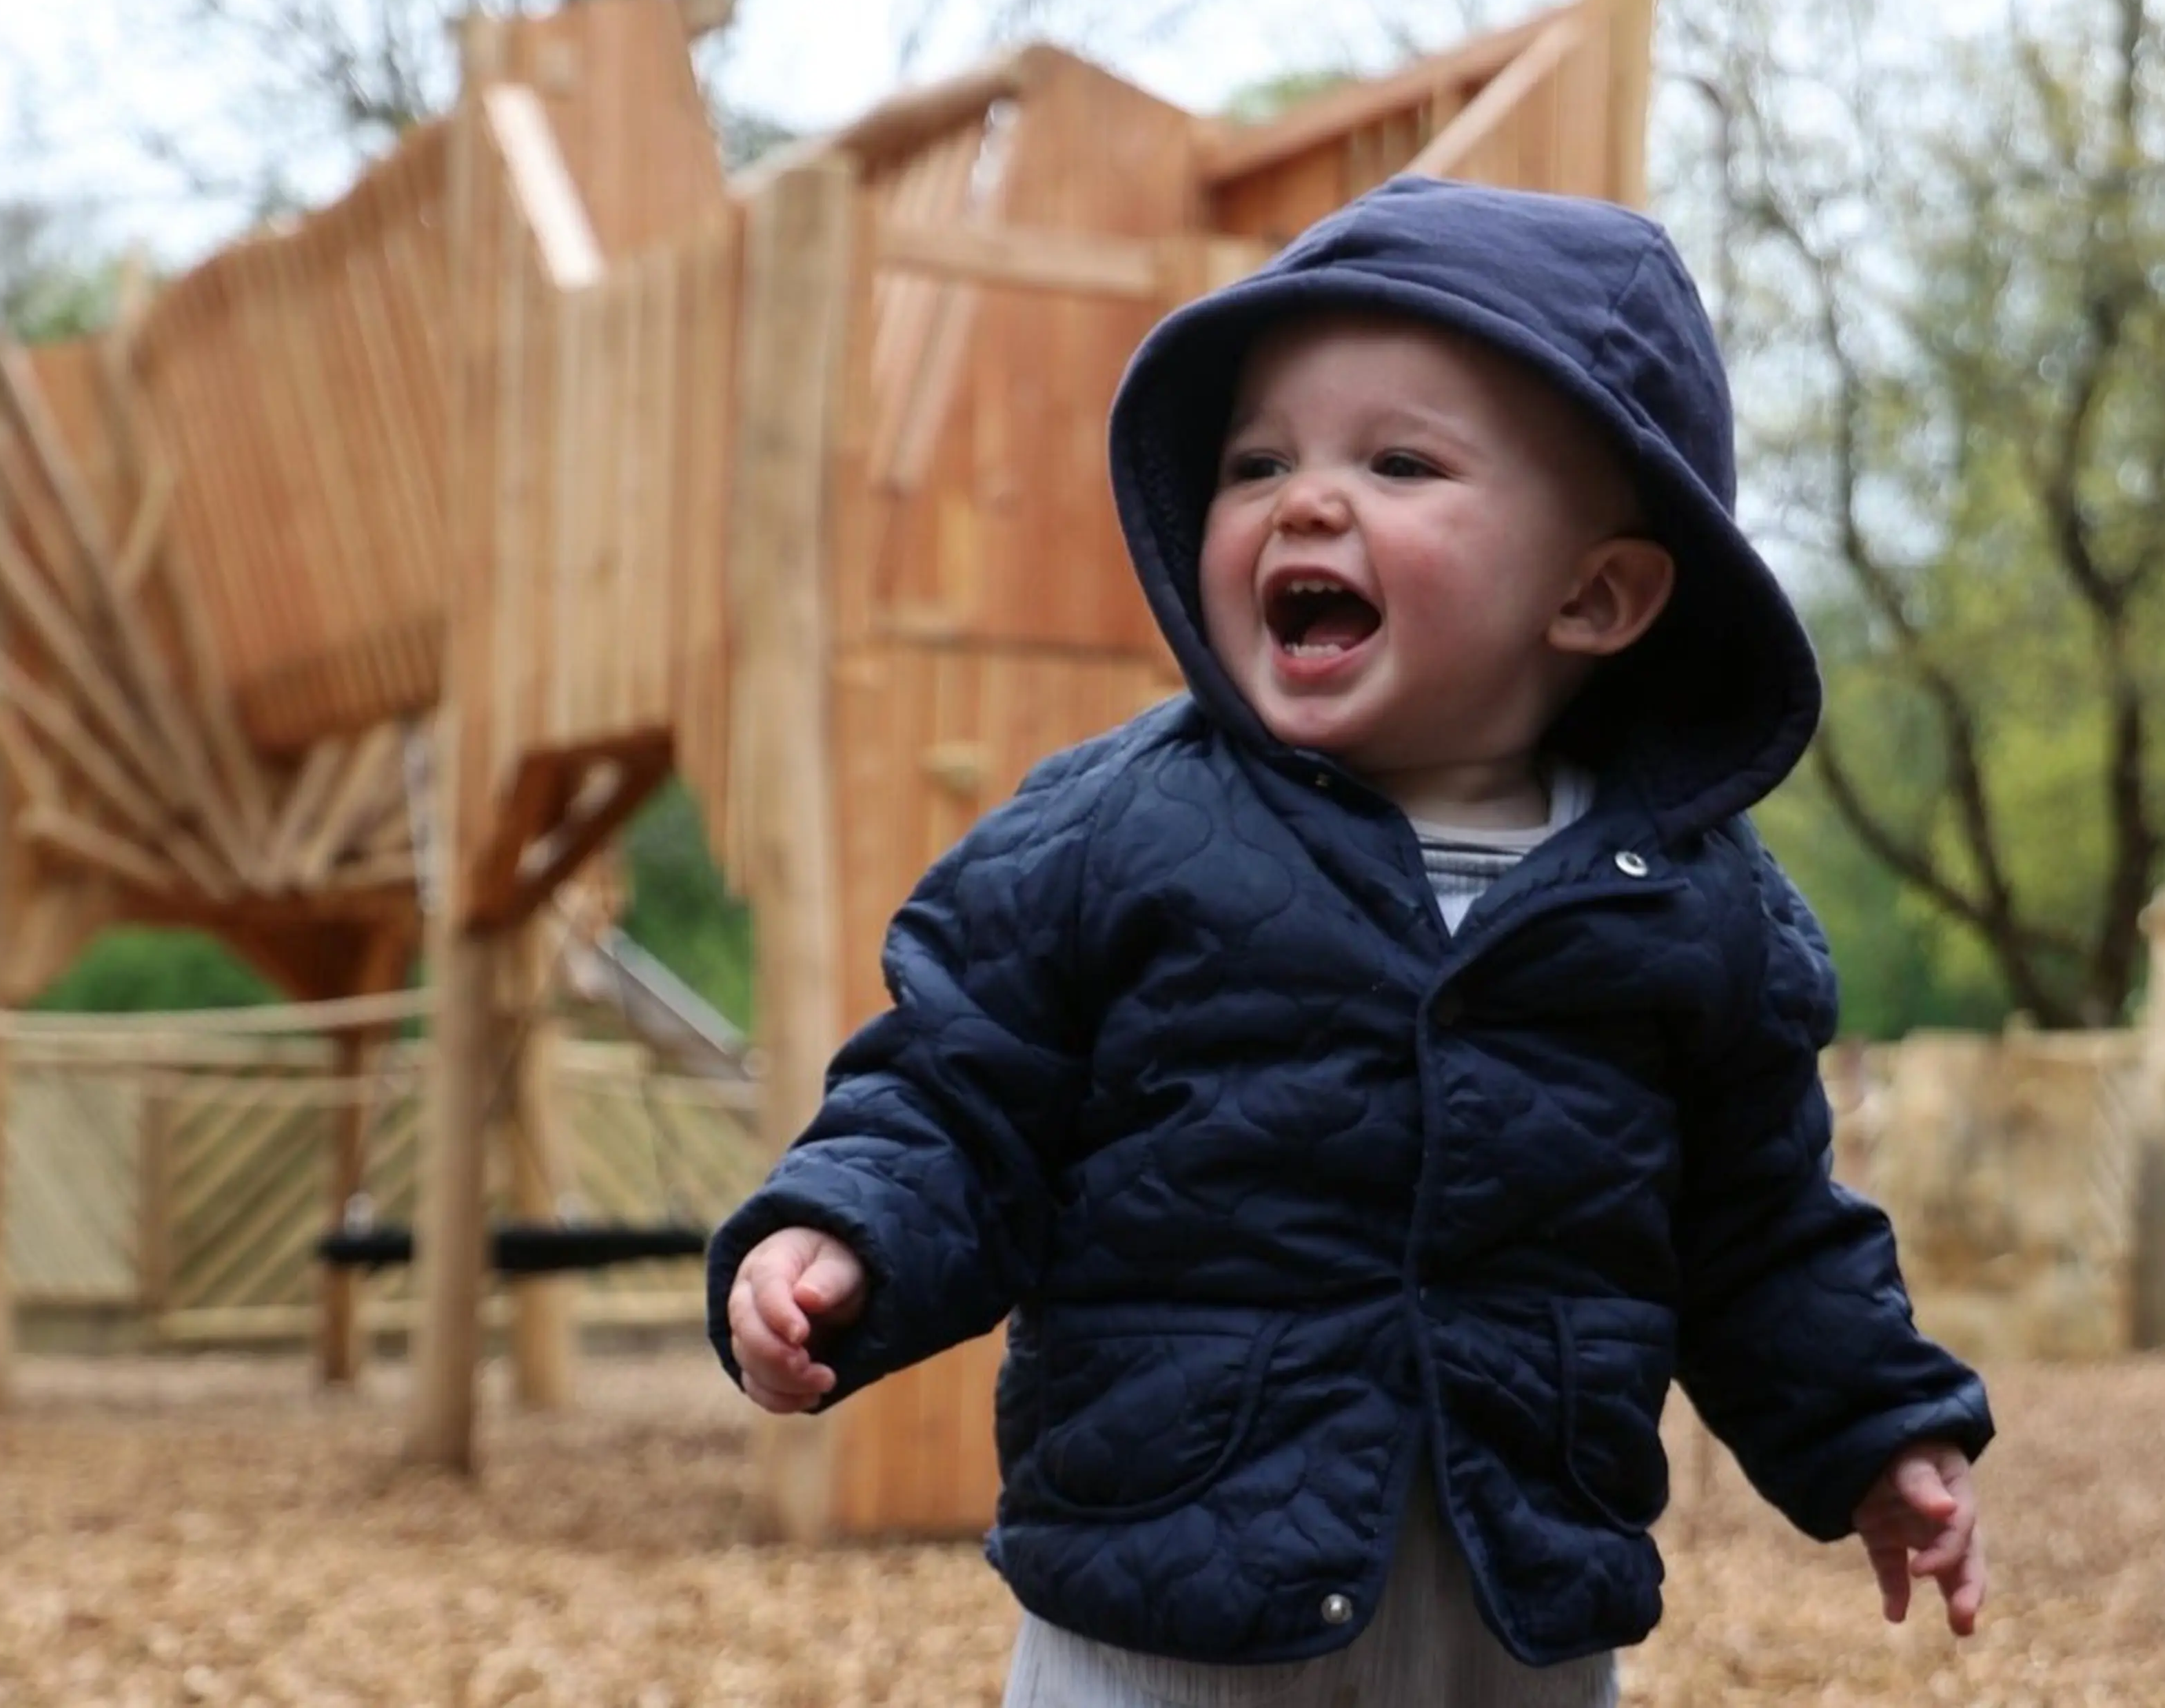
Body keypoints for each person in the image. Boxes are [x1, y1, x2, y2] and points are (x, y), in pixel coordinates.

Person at [709, 174, 1993, 1707]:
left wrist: (1873, 1430)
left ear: (1595, 594)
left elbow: (1762, 1224)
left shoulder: (1688, 902)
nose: (1304, 501)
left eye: (1398, 462)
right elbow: (957, 1088)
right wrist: (844, 1232)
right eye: (1258, 462)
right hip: (1171, 1582)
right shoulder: (1118, 834)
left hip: (1514, 1584)